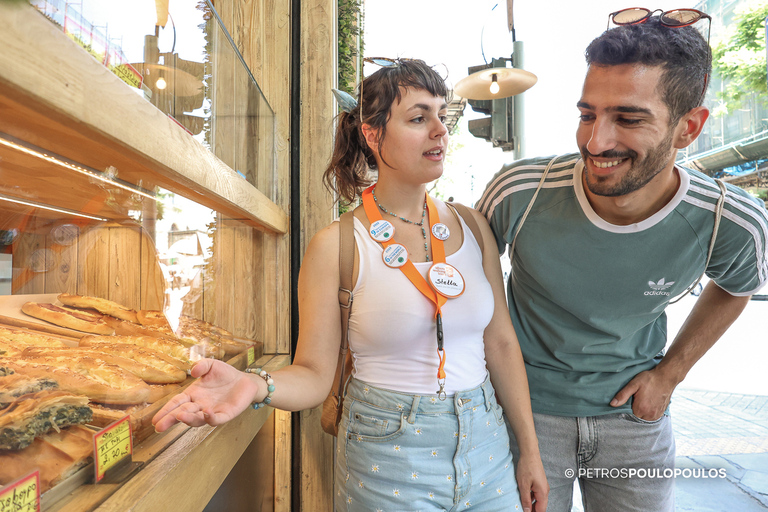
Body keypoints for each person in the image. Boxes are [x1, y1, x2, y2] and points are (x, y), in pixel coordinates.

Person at [153, 58, 548, 511]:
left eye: (441, 113)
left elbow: (499, 343)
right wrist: (255, 385)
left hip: (487, 444)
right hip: (387, 452)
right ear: (373, 135)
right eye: (419, 118)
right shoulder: (337, 244)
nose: (440, 129)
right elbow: (315, 375)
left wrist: (529, 452)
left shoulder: (474, 226)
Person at [476, 9, 768, 512]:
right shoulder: (519, 191)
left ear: (689, 127)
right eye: (587, 114)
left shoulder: (731, 220)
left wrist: (670, 373)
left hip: (636, 422)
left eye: (628, 118)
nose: (596, 142)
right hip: (523, 415)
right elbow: (466, 288)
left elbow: (736, 286)